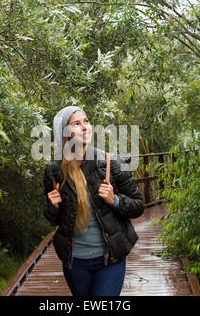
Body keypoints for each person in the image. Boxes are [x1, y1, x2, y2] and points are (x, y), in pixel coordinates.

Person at [43, 106, 144, 296]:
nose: (85, 127)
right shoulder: (54, 171)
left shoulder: (110, 162)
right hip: (75, 263)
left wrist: (114, 200)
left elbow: (138, 206)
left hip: (109, 258)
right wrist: (53, 208)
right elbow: (54, 220)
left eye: (86, 121)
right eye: (76, 123)